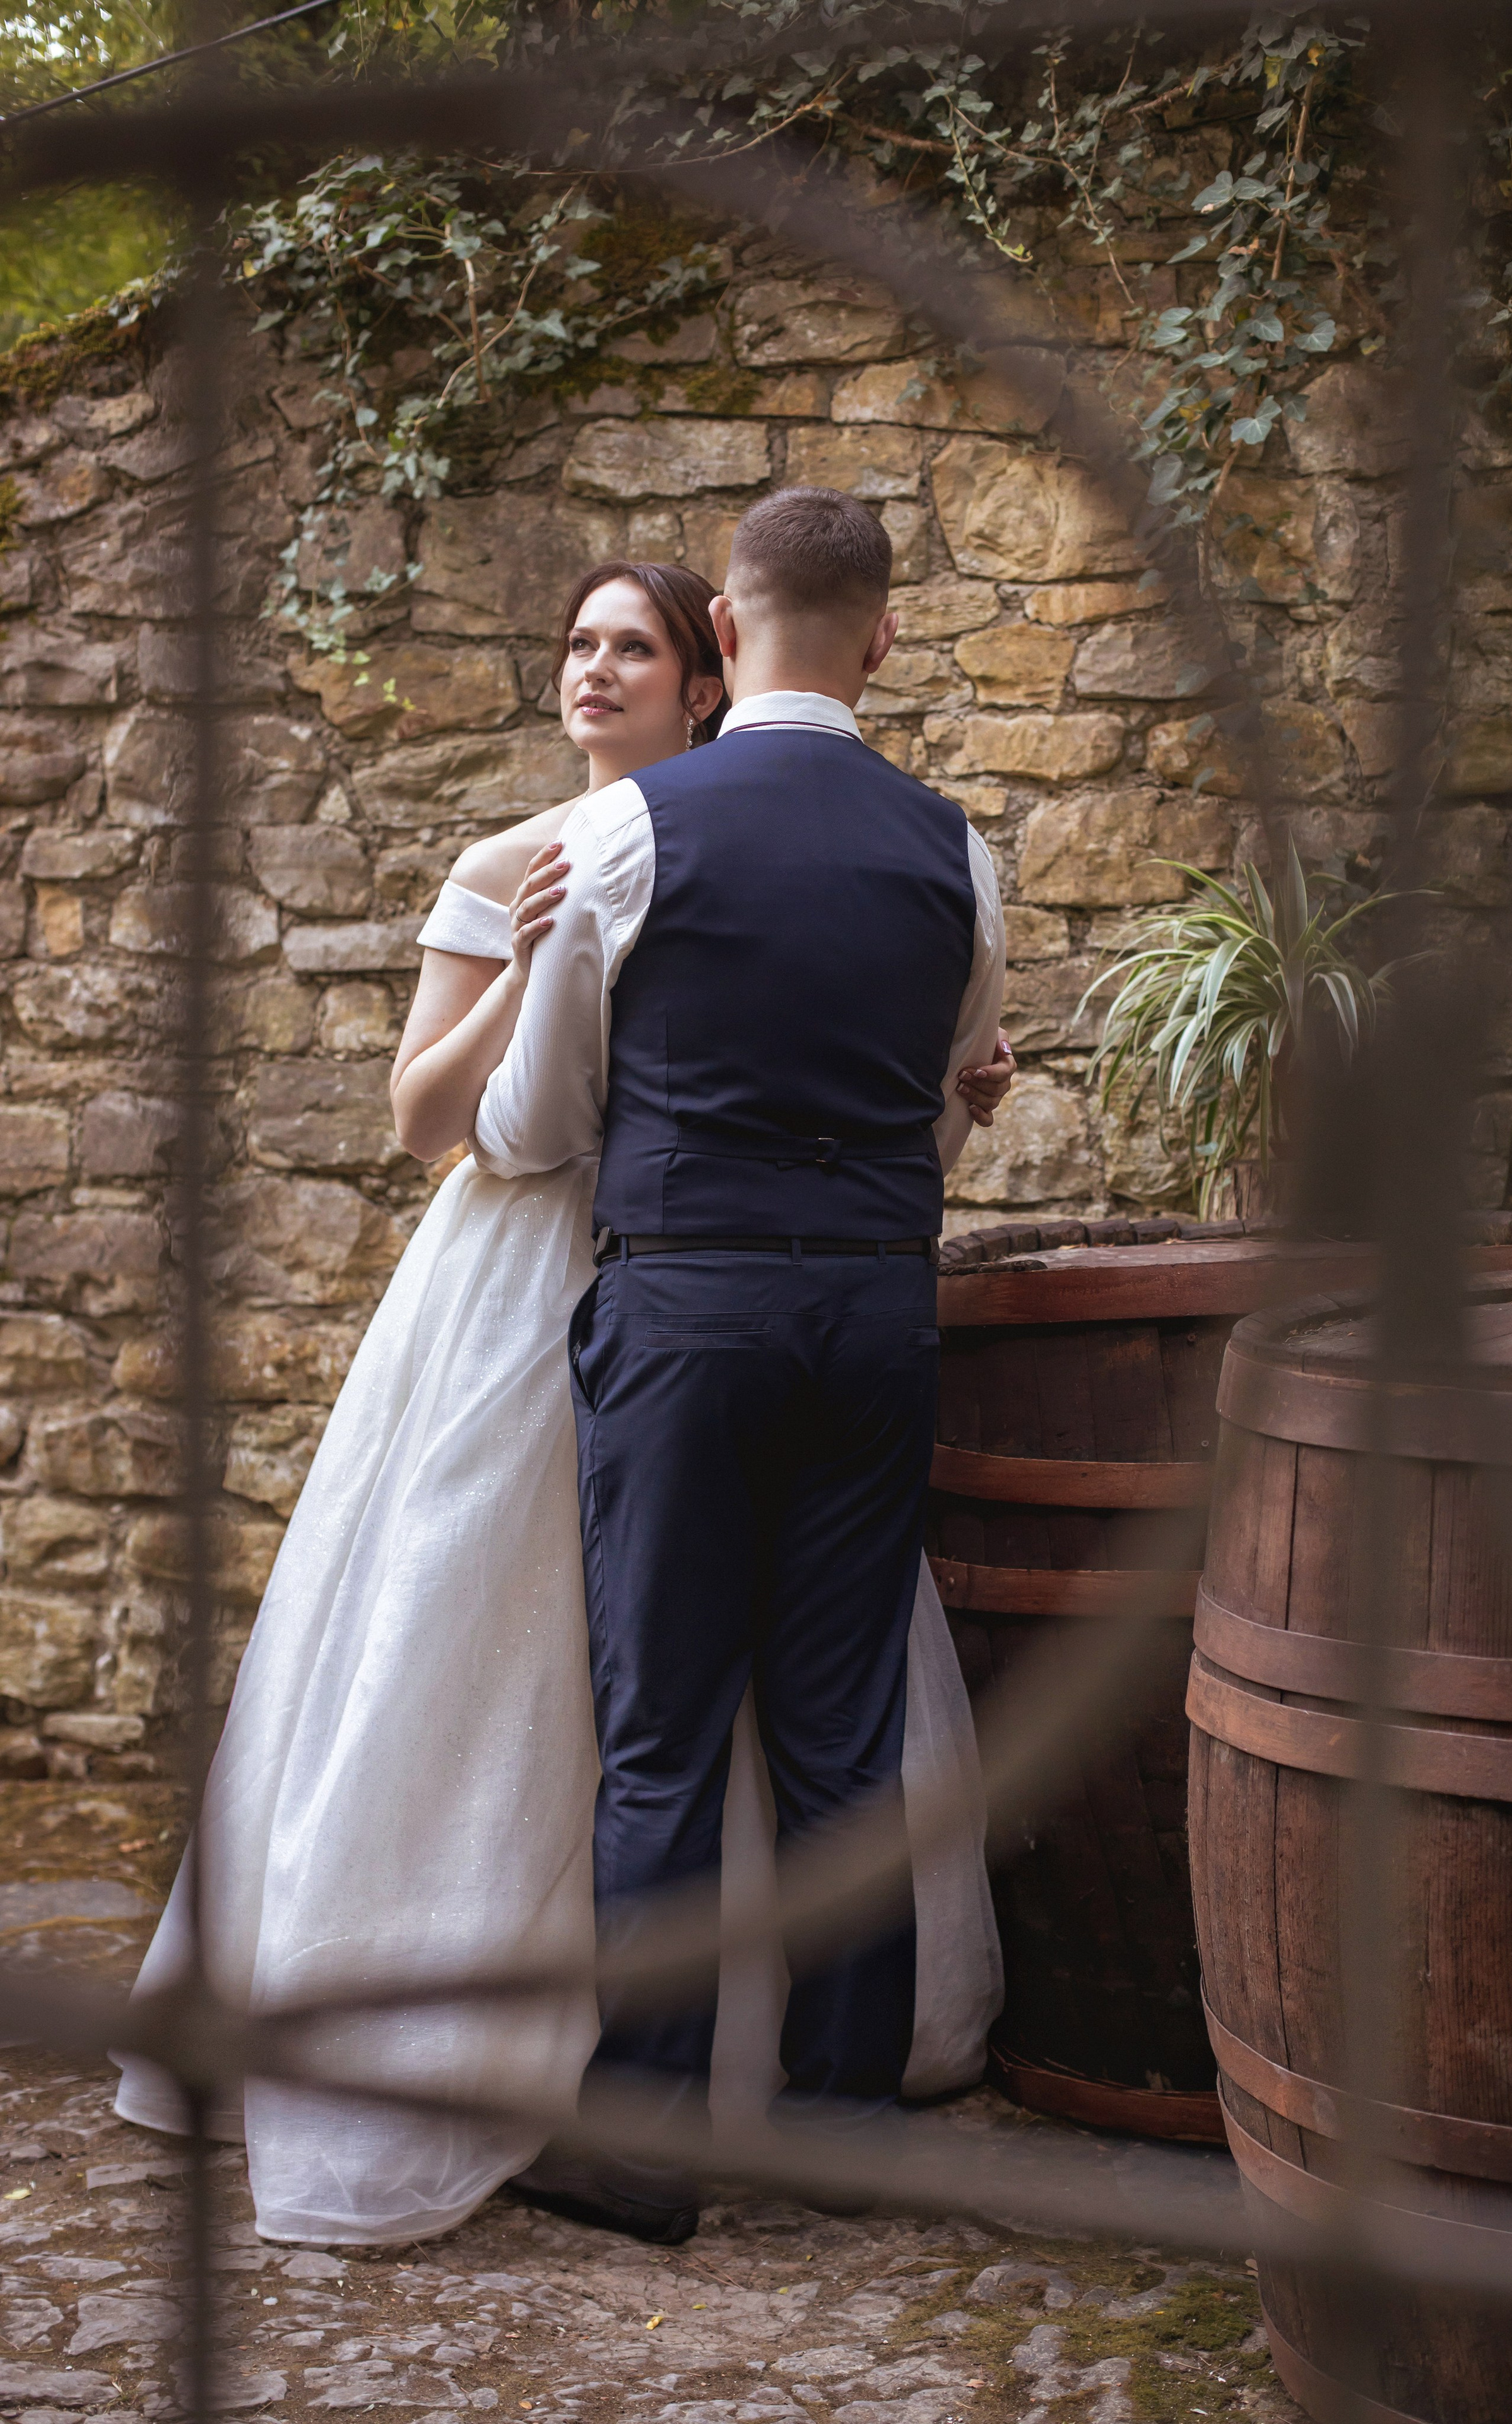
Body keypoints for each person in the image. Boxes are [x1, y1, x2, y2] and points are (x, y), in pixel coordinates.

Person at [112, 553, 1010, 2249]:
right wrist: (529, 971)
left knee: (693, 1721)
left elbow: (580, 1113)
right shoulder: (534, 861)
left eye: (634, 645)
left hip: (674, 1290)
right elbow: (432, 1120)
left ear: (710, 671)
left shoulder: (685, 838)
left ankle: (668, 2117)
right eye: (577, 639)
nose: (594, 669)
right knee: (582, 1683)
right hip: (544, 1296)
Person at [471, 492, 1008, 2249]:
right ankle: (846, 2123)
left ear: (720, 618)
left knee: (664, 1734)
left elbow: (539, 1120)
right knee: (846, 1734)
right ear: (885, 637)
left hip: (687, 1310)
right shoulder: (956, 850)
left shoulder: (629, 830)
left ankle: (639, 2142)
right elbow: (943, 1096)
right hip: (875, 1312)